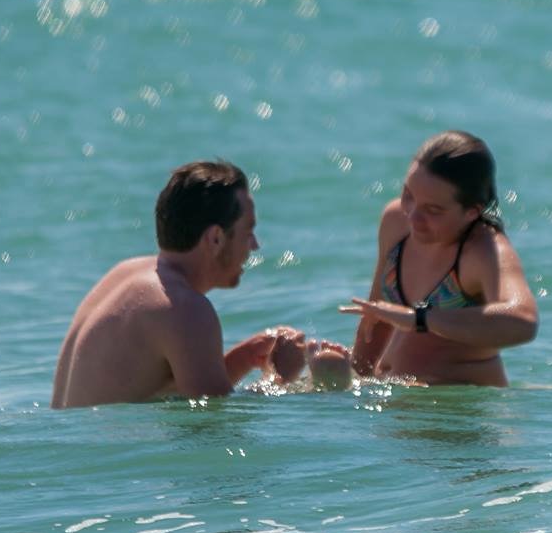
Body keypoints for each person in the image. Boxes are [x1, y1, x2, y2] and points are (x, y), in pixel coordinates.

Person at [53, 160, 350, 408]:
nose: (255, 245)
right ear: (216, 239)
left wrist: (244, 357)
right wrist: (283, 378)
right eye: (248, 232)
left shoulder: (126, 274)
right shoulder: (185, 310)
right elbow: (213, 426)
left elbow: (182, 394)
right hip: (108, 473)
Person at [341, 131, 539, 387]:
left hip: (459, 418)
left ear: (472, 211)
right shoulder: (396, 221)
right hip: (398, 407)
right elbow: (376, 319)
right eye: (408, 195)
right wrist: (351, 386)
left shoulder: (483, 252)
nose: (412, 217)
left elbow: (523, 321)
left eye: (433, 210)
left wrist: (420, 319)